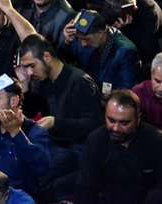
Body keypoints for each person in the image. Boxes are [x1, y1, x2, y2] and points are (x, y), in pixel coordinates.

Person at [16, 34, 103, 201]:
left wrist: (56, 122)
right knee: (21, 168)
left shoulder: (79, 81)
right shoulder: (43, 80)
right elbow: (32, 112)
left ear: (47, 57)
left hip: (78, 150)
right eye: (26, 67)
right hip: (55, 146)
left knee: (37, 181)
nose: (29, 72)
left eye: (31, 66)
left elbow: (95, 124)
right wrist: (24, 86)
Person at [75, 89, 162, 204]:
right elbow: (86, 188)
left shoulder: (158, 142)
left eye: (124, 123)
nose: (116, 128)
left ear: (138, 120)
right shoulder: (94, 141)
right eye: (111, 120)